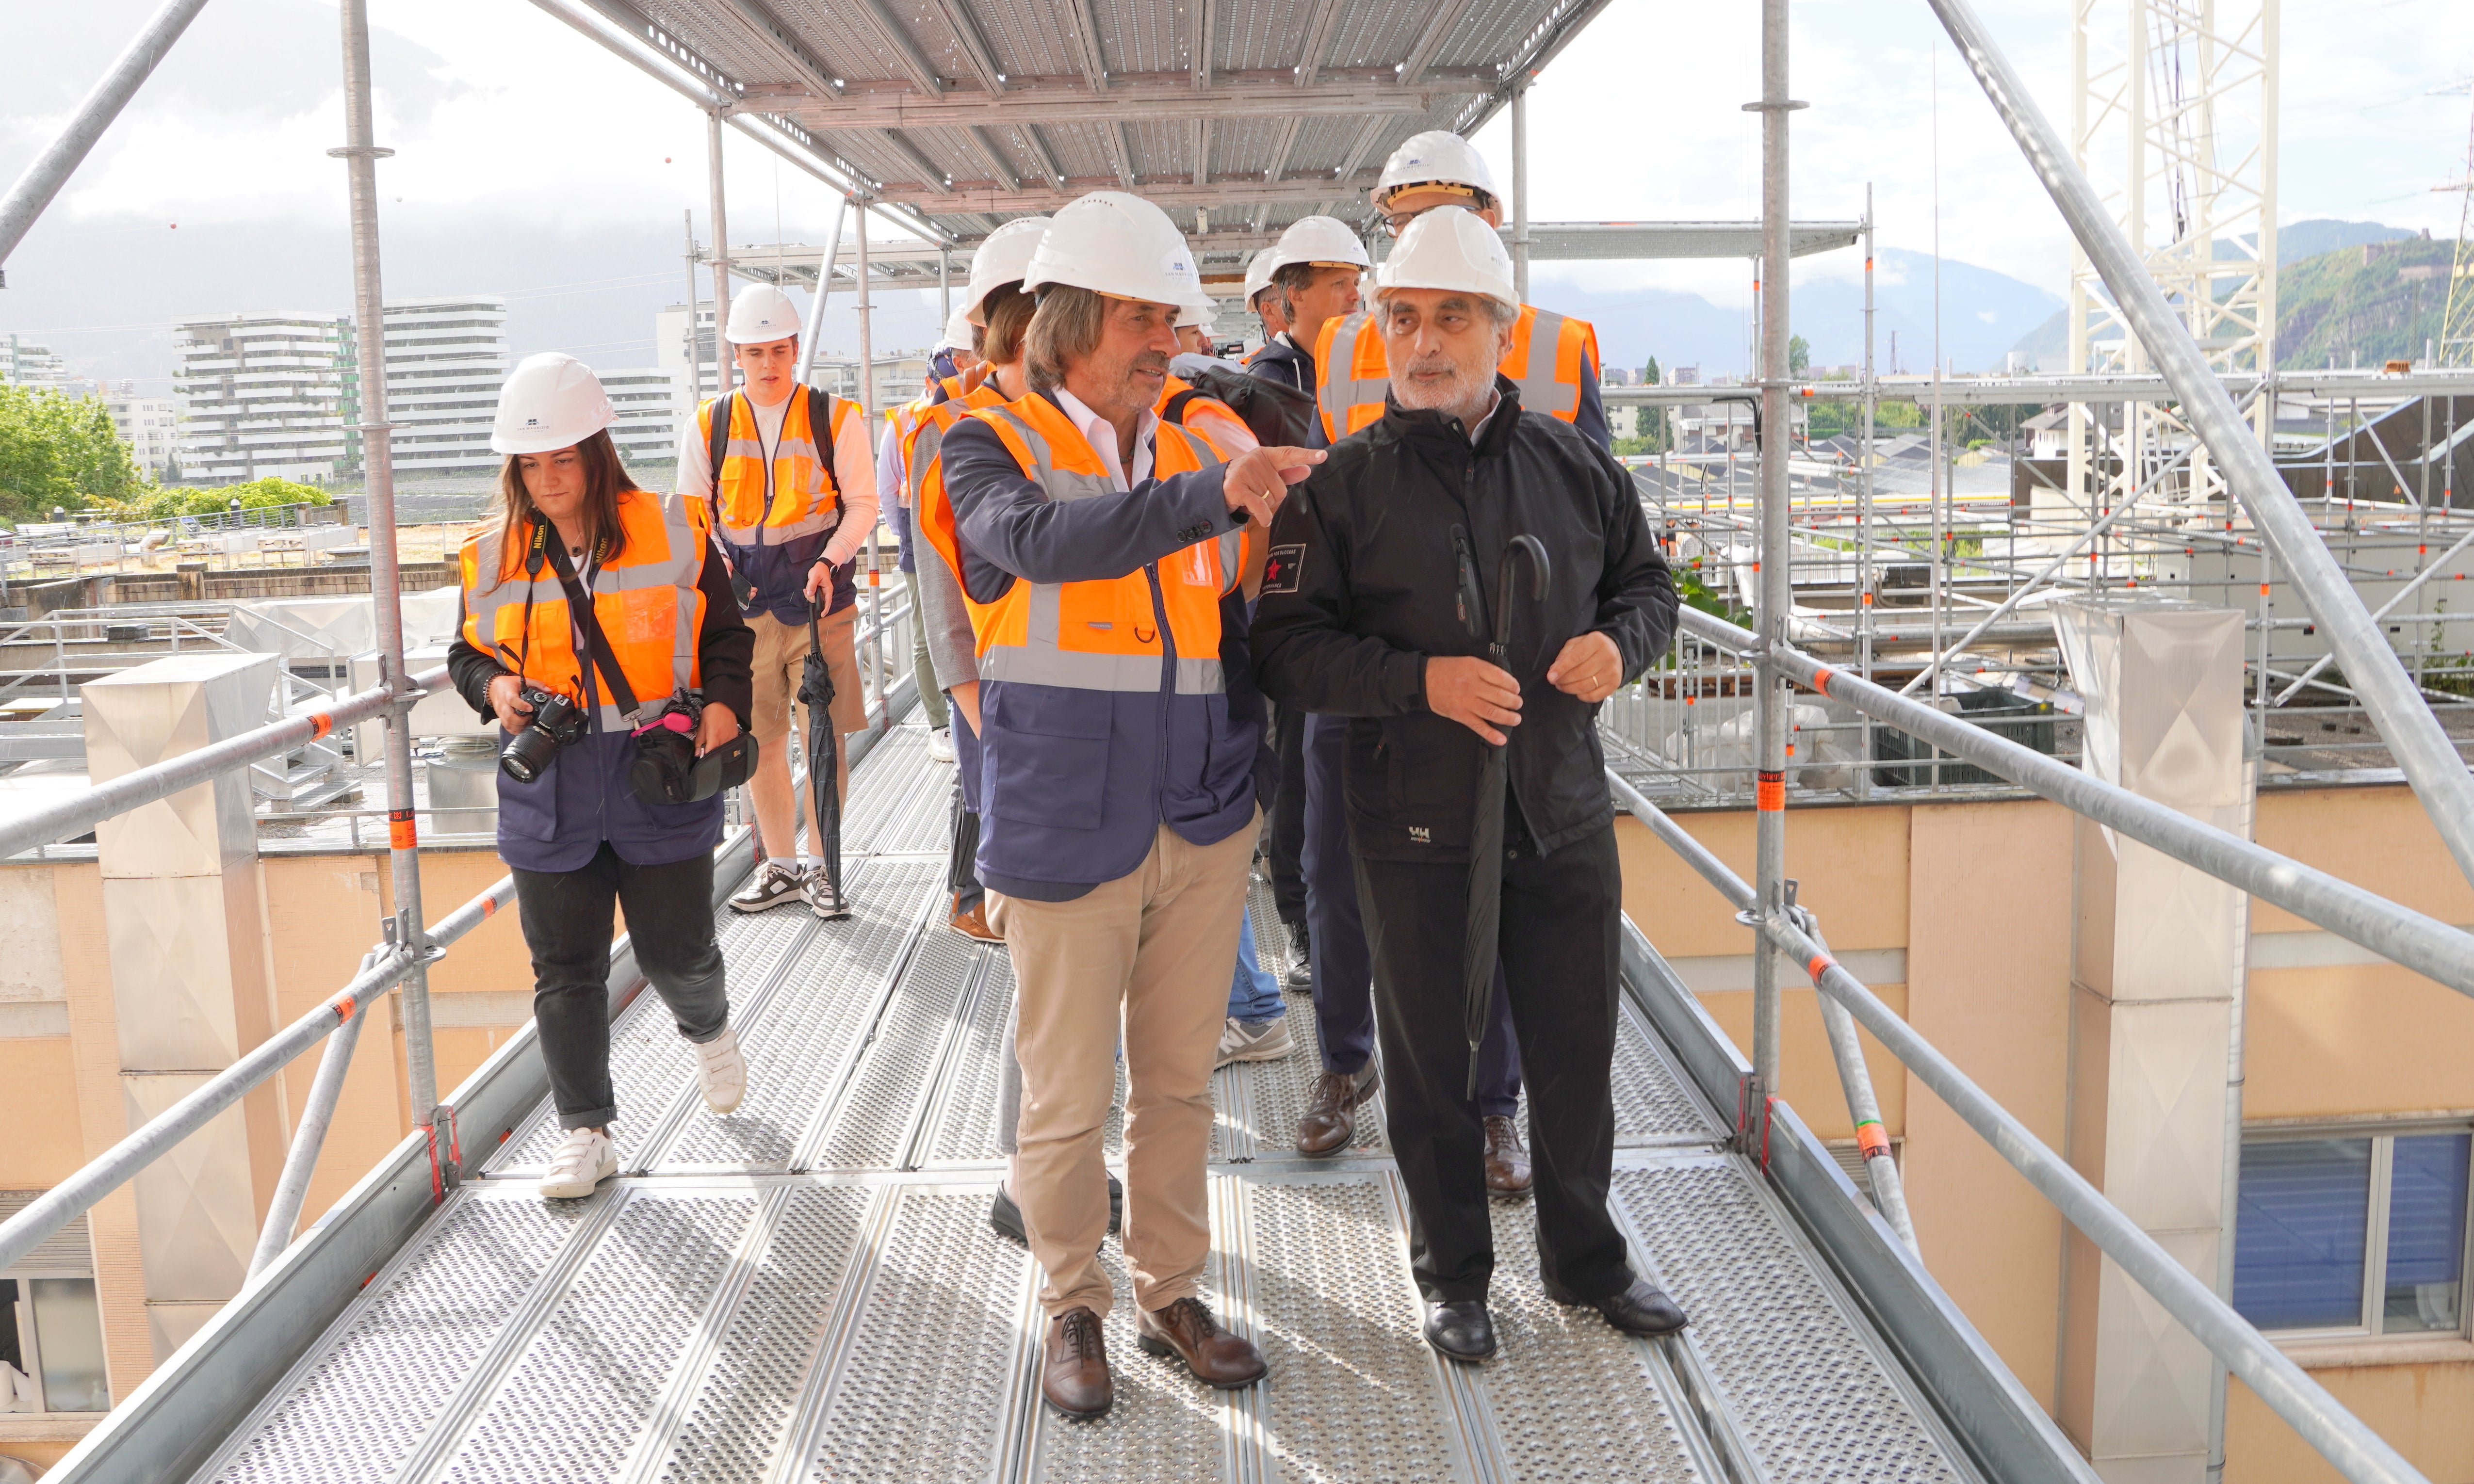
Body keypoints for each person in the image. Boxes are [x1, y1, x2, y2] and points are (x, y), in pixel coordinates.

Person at [1252, 207, 1686, 1362]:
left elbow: (1647, 587)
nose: (1424, 341)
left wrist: (1620, 646)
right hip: (1411, 814)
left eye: (1450, 316)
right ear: (1377, 331)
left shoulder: (1574, 467)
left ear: (1501, 328)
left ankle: (1587, 1262)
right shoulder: (1341, 488)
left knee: (1572, 1047)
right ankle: (1453, 1276)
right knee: (1430, 1059)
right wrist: (1419, 681)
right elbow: (1284, 649)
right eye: (1402, 317)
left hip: (1559, 806)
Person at [928, 189, 1322, 1419]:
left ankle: (1169, 1291)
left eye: (1173, 319)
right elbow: (1039, 546)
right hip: (1062, 821)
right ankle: (1071, 1307)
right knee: (1063, 1096)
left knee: (1178, 1082)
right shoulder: (981, 446)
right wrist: (1219, 494)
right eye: (1146, 318)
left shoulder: (1197, 438)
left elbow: (1242, 612)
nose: (1167, 340)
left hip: (1199, 814)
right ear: (1075, 318)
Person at [447, 353, 754, 1201]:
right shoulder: (489, 555)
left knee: (676, 952)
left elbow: (728, 638)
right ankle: (587, 1132)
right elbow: (467, 653)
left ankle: (710, 1025)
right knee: (565, 969)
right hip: (551, 788)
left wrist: (726, 707)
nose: (548, 479)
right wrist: (496, 688)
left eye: (564, 458)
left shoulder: (674, 524)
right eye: (531, 463)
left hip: (656, 773)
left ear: (597, 451)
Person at [687, 283, 879, 919]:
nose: (767, 364)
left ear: (796, 350)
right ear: (735, 355)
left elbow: (863, 507)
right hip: (744, 614)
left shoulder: (835, 417)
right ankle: (781, 866)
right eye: (754, 352)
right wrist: (723, 579)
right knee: (762, 741)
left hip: (821, 602)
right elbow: (693, 520)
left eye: (778, 350)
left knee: (822, 736)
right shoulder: (710, 425)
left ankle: (824, 870)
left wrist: (829, 560)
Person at [1315, 129, 1610, 449]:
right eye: (1402, 221)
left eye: (1440, 218)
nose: (1420, 235)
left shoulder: (1556, 348)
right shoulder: (1341, 347)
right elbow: (1318, 479)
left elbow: (1594, 489)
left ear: (1488, 223)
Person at [1244, 216, 1368, 417]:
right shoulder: (1268, 379)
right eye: (1339, 284)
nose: (1356, 296)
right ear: (1297, 296)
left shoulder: (1359, 362)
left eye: (1355, 283)